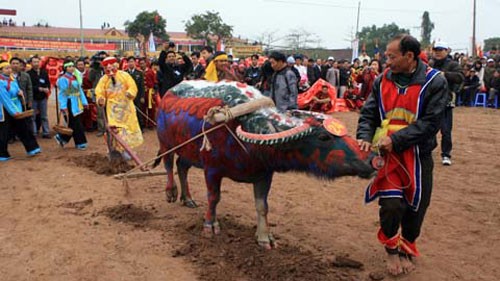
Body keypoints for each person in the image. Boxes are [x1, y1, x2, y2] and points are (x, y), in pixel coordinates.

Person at [356, 34, 448, 276]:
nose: (387, 61)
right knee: (391, 204)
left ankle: (407, 246)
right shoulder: (382, 80)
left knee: (417, 207)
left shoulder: (435, 82)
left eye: (391, 56)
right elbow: (368, 114)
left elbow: (431, 123)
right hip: (388, 156)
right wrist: (364, 136)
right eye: (386, 56)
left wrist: (395, 139)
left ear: (409, 56)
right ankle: (391, 250)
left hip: (418, 155)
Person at [95, 57, 143, 159]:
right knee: (115, 130)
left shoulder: (124, 75)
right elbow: (99, 92)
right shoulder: (103, 80)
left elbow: (132, 87)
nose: (110, 71)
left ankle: (127, 150)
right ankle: (115, 150)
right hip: (113, 109)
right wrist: (100, 99)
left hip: (127, 107)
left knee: (128, 129)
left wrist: (130, 93)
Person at [430, 41, 464, 166]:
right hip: (431, 102)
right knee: (428, 129)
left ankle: (446, 154)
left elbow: (460, 77)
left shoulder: (453, 64)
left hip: (446, 102)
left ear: (446, 51)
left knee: (446, 130)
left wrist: (444, 75)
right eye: (435, 50)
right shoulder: (430, 64)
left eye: (440, 49)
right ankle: (428, 150)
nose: (437, 52)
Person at [0, 60, 41, 161]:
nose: (9, 70)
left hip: (16, 106)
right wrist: (14, 112)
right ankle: (2, 154)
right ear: (1, 70)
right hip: (5, 109)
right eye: (6, 68)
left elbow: (17, 90)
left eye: (9, 68)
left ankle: (32, 148)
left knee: (24, 127)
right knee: (3, 131)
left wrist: (20, 92)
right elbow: (5, 99)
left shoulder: (12, 79)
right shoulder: (1, 82)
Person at [54, 60, 89, 150]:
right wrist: (63, 107)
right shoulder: (62, 79)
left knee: (74, 124)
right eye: (69, 66)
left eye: (72, 66)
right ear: (65, 68)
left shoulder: (75, 77)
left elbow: (80, 91)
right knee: (77, 124)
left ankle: (61, 138)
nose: (71, 68)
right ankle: (80, 143)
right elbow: (63, 94)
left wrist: (84, 102)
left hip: (76, 103)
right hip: (69, 103)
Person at [27, 56, 51, 138]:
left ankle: (46, 132)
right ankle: (33, 133)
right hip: (33, 98)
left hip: (43, 98)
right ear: (31, 63)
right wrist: (39, 88)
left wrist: (47, 88)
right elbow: (29, 87)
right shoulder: (28, 74)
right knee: (32, 116)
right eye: (34, 62)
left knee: (44, 116)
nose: (36, 64)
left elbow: (48, 83)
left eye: (38, 62)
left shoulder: (44, 72)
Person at [125, 56, 145, 131]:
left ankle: (140, 127)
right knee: (128, 112)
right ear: (127, 63)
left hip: (137, 96)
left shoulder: (139, 73)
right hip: (127, 96)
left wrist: (142, 96)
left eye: (132, 61)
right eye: (129, 62)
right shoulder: (125, 73)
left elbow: (142, 86)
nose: (131, 63)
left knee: (138, 112)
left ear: (135, 63)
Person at [139, 58, 158, 128]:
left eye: (143, 63)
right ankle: (143, 123)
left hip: (150, 93)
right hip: (141, 93)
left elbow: (155, 81)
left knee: (151, 109)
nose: (142, 65)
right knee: (142, 109)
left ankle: (151, 124)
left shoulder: (151, 72)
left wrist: (154, 91)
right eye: (140, 63)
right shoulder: (138, 72)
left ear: (146, 64)